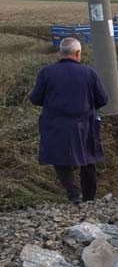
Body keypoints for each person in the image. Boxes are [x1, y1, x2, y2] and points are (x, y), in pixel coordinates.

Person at [29, 37, 108, 204]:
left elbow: (35, 99)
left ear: (60, 53)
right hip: (85, 125)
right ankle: (89, 198)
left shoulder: (46, 72)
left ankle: (73, 193)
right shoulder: (89, 73)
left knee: (60, 159)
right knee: (88, 159)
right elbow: (102, 99)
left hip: (56, 124)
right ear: (78, 53)